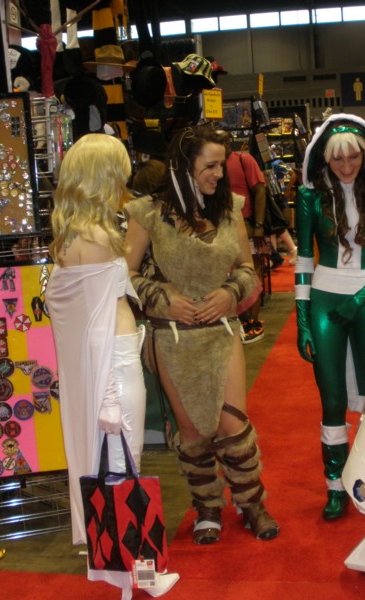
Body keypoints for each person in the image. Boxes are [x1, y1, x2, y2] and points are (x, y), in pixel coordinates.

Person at [124, 125, 280, 545]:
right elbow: (124, 274)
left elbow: (249, 272)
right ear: (184, 165)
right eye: (209, 165)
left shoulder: (230, 209)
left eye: (221, 165)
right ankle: (207, 505)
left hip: (221, 332)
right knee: (192, 431)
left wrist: (231, 294)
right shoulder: (147, 213)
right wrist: (160, 298)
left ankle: (251, 503)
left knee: (233, 424)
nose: (218, 174)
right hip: (171, 338)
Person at [46, 134, 178, 598]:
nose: (126, 176)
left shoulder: (71, 234)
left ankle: (115, 568)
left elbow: (75, 315)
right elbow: (95, 318)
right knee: (126, 466)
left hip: (108, 358)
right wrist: (106, 395)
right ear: (105, 175)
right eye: (120, 168)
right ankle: (139, 575)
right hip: (115, 362)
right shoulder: (98, 238)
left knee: (116, 465)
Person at [294, 114, 365, 520]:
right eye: (337, 159)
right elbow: (304, 259)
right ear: (326, 159)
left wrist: (362, 296)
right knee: (332, 399)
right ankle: (335, 484)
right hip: (325, 299)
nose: (346, 166)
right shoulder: (309, 197)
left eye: (352, 157)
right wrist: (303, 317)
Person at [216, 130, 268, 343]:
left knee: (251, 273)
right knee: (230, 274)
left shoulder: (243, 159)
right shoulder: (215, 164)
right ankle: (242, 318)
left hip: (246, 224)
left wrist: (258, 225)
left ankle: (253, 321)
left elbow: (260, 191)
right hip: (223, 226)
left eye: (223, 140)